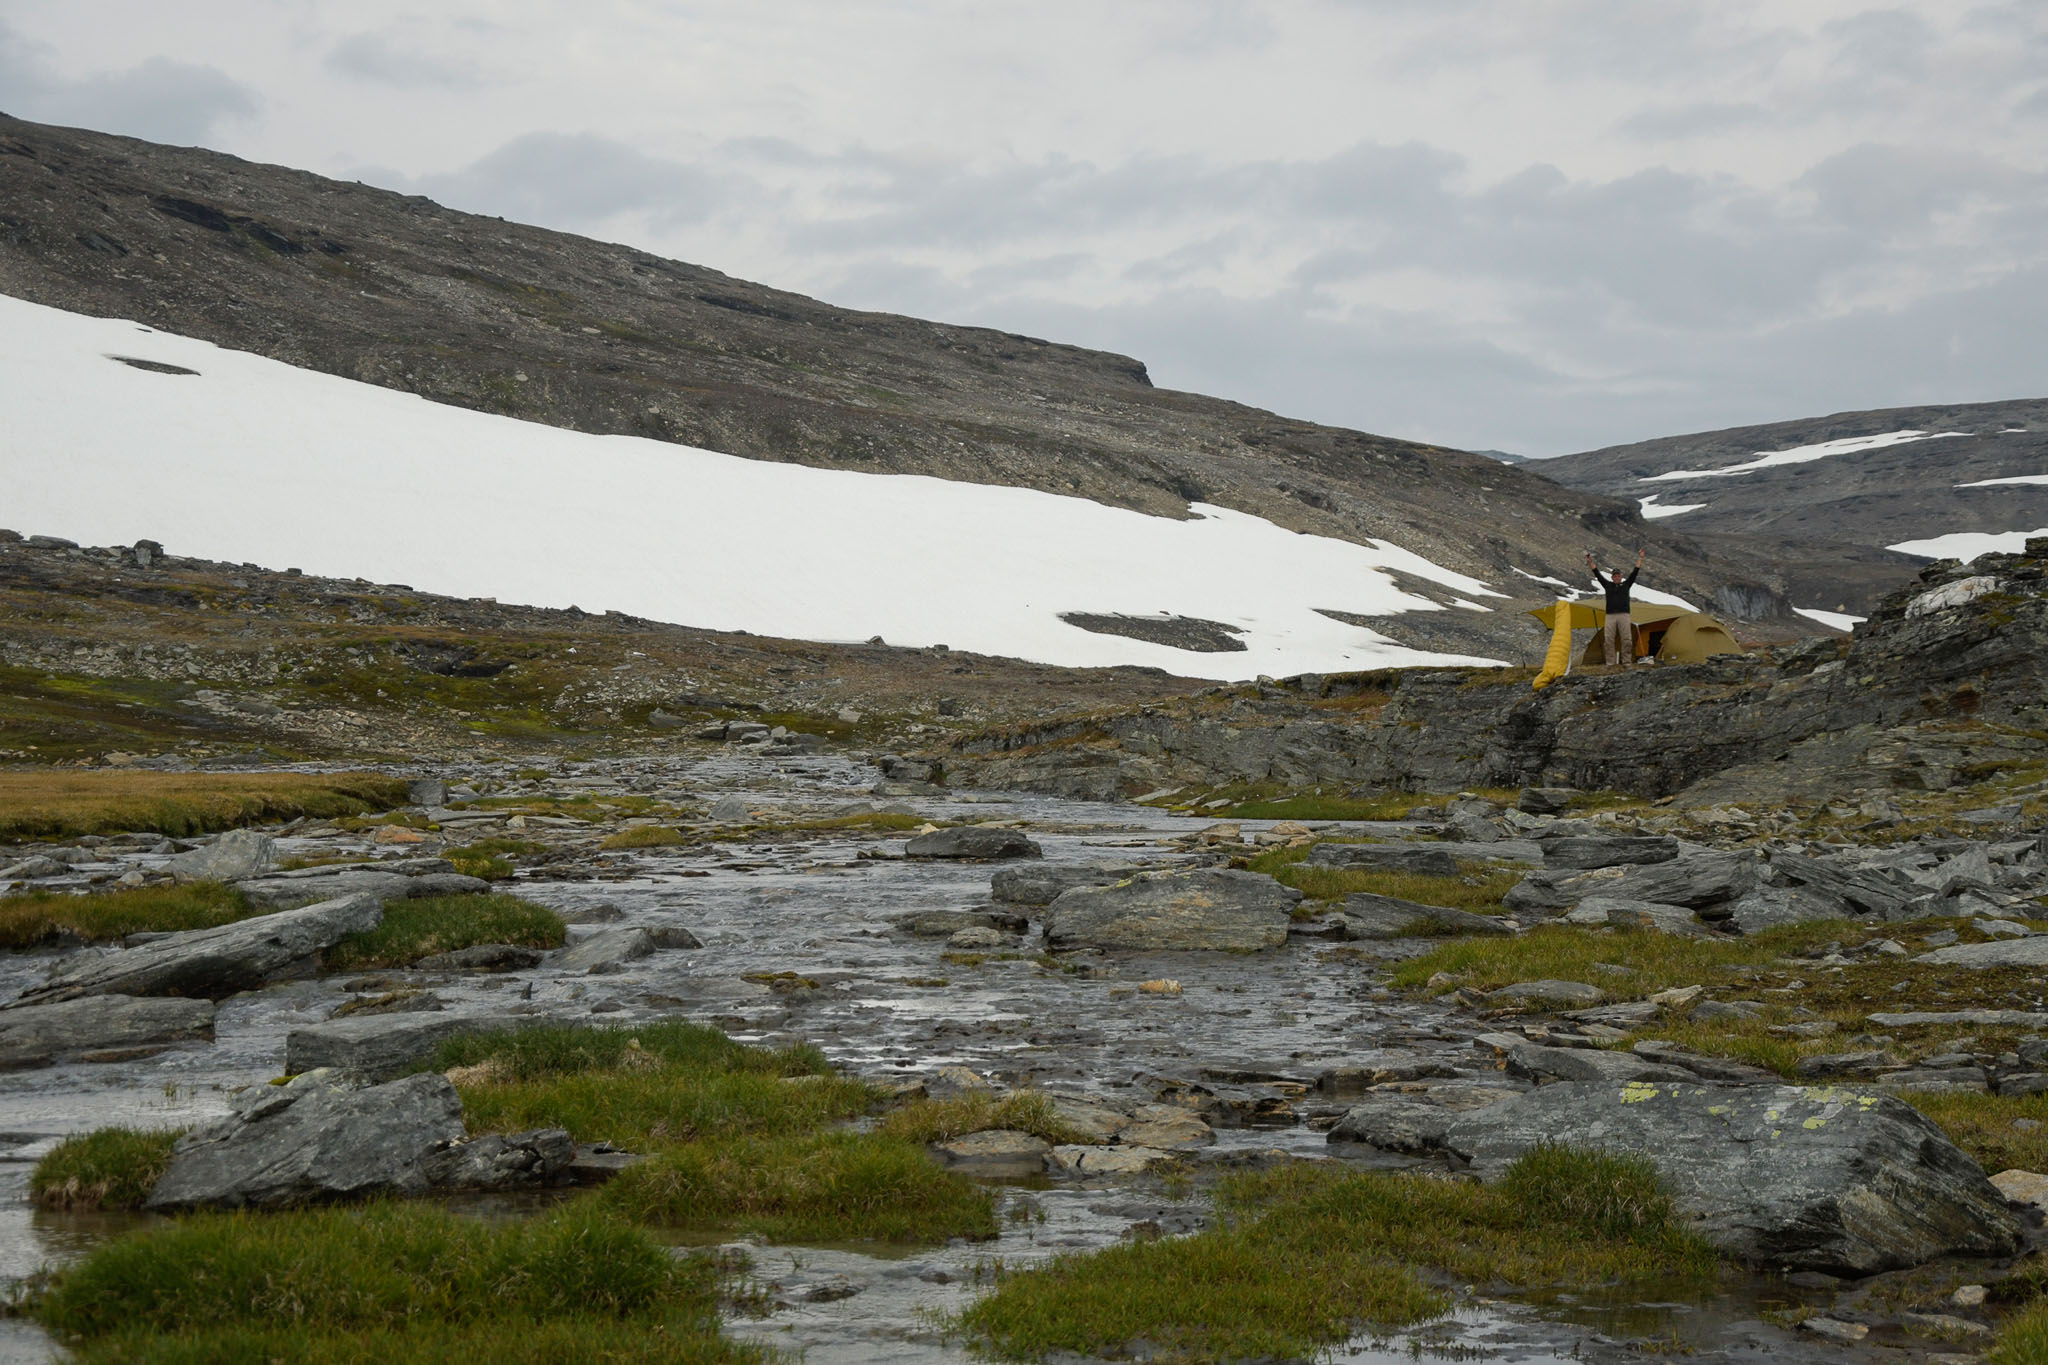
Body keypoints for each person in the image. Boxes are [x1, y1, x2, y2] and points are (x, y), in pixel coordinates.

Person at [1585, 547, 1646, 668]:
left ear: (1621, 576)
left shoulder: (1626, 584)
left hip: (1624, 615)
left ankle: (1627, 662)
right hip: (1610, 616)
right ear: (1612, 577)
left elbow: (1635, 572)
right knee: (1608, 640)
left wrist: (1641, 558)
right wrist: (1590, 562)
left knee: (1627, 639)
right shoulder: (1607, 585)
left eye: (1618, 575)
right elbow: (1597, 573)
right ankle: (1610, 663)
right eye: (1615, 576)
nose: (1617, 577)